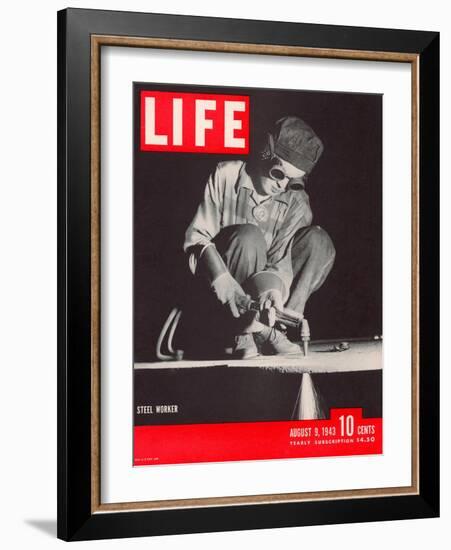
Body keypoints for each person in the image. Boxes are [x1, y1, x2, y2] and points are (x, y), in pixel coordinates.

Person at [183, 116, 336, 358]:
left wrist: (271, 293)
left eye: (292, 181)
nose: (283, 186)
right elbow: (197, 240)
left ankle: (272, 327)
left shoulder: (297, 201)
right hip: (219, 297)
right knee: (249, 235)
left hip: (266, 300)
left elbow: (281, 261)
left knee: (318, 241)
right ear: (265, 154)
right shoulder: (226, 175)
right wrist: (224, 282)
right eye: (279, 174)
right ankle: (241, 330)